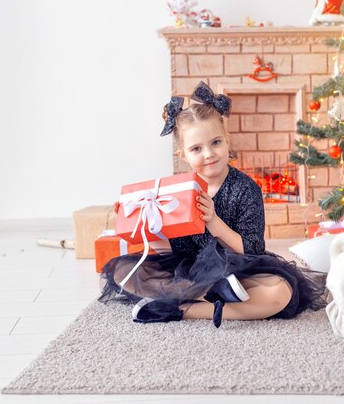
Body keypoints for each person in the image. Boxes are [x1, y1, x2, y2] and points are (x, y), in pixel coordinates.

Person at [98, 81, 326, 327]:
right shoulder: (177, 191)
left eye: (216, 142)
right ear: (183, 155)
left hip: (240, 268)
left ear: (227, 140)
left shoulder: (245, 189)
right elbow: (172, 248)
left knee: (279, 293)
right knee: (124, 274)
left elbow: (252, 250)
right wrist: (139, 222)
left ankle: (186, 308)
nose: (209, 154)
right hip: (191, 269)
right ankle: (203, 294)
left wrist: (214, 222)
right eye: (197, 148)